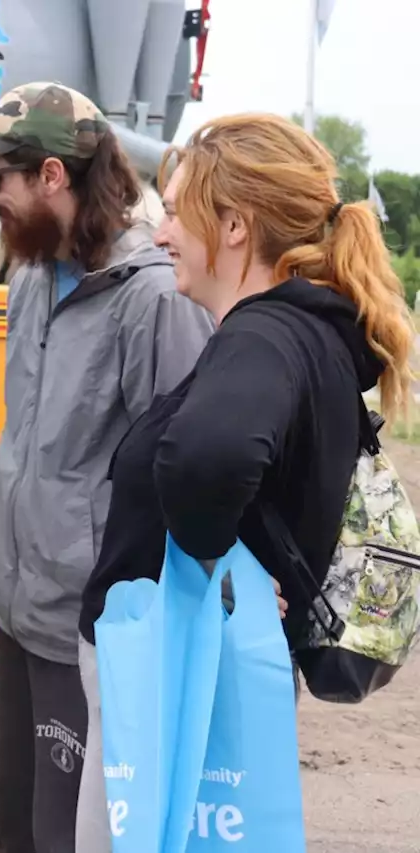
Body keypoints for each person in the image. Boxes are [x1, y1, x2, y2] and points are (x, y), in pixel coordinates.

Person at [74, 112, 415, 852]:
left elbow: (205, 457)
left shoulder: (261, 335)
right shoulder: (315, 336)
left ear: (234, 225)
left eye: (173, 212)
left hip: (171, 675)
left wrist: (210, 564)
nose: (160, 235)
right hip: (206, 670)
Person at [0, 82, 215, 853]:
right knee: (18, 821)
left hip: (91, 629)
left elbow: (187, 468)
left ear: (54, 178)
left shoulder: (152, 298)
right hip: (20, 615)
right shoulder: (30, 276)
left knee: (70, 837)